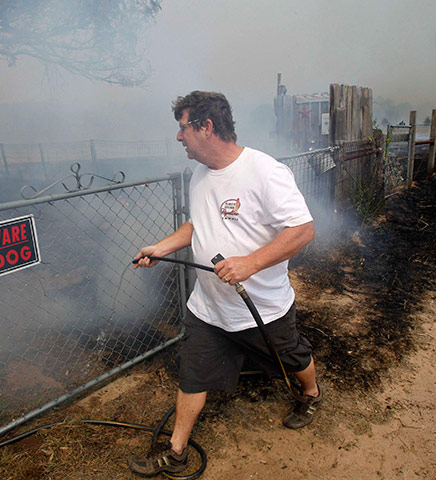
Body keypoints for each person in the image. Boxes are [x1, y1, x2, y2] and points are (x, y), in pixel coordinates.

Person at [129, 91, 320, 477]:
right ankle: (176, 450)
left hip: (262, 306)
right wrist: (160, 246)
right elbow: (198, 224)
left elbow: (303, 230)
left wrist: (250, 263)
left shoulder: (265, 171)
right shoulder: (200, 174)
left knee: (292, 357)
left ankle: (312, 396)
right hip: (209, 307)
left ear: (206, 126)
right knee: (192, 373)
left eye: (183, 127)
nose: (179, 137)